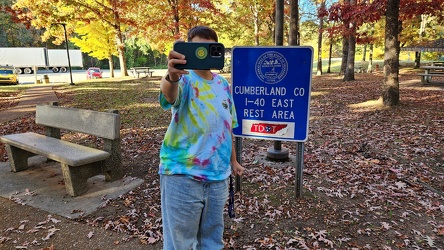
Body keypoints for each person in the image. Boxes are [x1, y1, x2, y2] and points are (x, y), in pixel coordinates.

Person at [158, 25, 244, 250]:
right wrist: (171, 76)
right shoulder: (183, 79)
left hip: (218, 178)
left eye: (208, 48)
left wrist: (233, 161)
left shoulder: (222, 84)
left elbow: (228, 126)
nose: (203, 54)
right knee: (181, 244)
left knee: (212, 242)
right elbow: (169, 93)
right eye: (197, 49)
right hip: (183, 177)